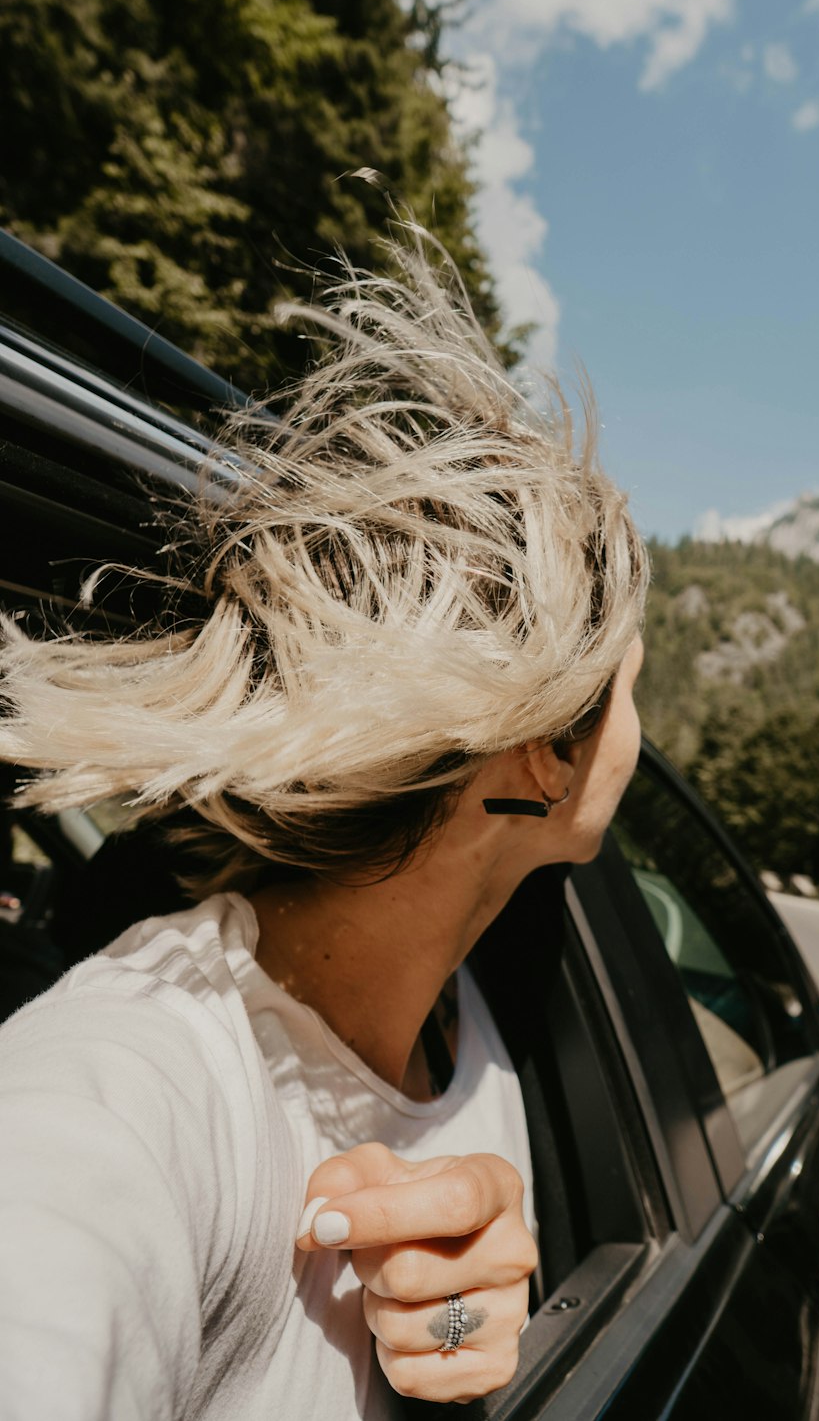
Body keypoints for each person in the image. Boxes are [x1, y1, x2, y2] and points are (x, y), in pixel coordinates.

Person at [0, 231, 649, 1419]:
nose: (642, 739)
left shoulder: (477, 1013)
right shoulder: (117, 1095)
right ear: (545, 758)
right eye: (629, 691)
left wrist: (458, 1349)